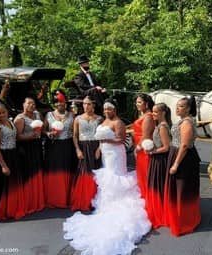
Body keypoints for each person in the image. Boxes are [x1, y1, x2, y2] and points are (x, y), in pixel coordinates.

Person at [63, 99, 151, 255]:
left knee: (115, 177)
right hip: (106, 153)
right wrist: (100, 147)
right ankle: (107, 203)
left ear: (114, 109)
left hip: (116, 154)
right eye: (105, 109)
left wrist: (105, 140)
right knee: (107, 177)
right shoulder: (104, 120)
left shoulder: (118, 122)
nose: (106, 111)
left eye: (109, 108)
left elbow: (122, 139)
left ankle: (117, 203)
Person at [164, 97, 201, 236]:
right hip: (178, 153)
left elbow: (184, 145)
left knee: (182, 190)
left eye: (181, 106)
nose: (177, 108)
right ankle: (178, 216)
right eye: (177, 106)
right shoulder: (184, 120)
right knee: (179, 189)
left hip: (184, 159)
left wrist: (175, 164)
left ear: (188, 108)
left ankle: (183, 220)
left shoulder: (187, 123)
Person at [43, 90, 77, 208]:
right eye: (56, 102)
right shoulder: (48, 115)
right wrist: (48, 134)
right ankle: (54, 198)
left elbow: (75, 132)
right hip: (53, 147)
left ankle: (66, 198)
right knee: (55, 171)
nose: (59, 104)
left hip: (68, 146)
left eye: (61, 102)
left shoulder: (72, 115)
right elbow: (43, 130)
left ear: (65, 102)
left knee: (67, 170)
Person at [70, 96, 103, 212]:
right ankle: (84, 199)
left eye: (88, 104)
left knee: (95, 172)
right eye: (84, 104)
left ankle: (95, 200)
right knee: (84, 172)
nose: (86, 106)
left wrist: (99, 148)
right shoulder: (78, 119)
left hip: (95, 147)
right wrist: (77, 150)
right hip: (83, 147)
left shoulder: (99, 119)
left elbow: (102, 136)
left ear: (93, 105)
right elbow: (74, 135)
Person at [14, 97, 45, 214]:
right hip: (26, 148)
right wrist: (30, 136)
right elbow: (17, 136)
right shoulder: (20, 119)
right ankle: (28, 201)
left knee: (37, 172)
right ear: (23, 105)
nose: (32, 105)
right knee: (28, 173)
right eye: (29, 103)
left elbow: (41, 131)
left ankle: (37, 199)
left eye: (33, 103)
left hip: (36, 147)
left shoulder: (37, 115)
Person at [145, 103, 172, 229]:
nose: (153, 114)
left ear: (163, 113)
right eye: (152, 111)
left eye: (156, 112)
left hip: (161, 160)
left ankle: (159, 211)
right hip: (156, 158)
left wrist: (152, 151)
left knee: (158, 185)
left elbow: (166, 147)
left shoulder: (162, 127)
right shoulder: (159, 125)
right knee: (156, 185)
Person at [132, 93, 155, 198]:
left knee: (145, 174)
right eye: (136, 102)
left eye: (139, 102)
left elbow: (145, 135)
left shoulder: (148, 116)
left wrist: (137, 148)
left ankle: (148, 198)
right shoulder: (143, 115)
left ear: (146, 104)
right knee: (141, 175)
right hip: (139, 147)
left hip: (143, 149)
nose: (137, 104)